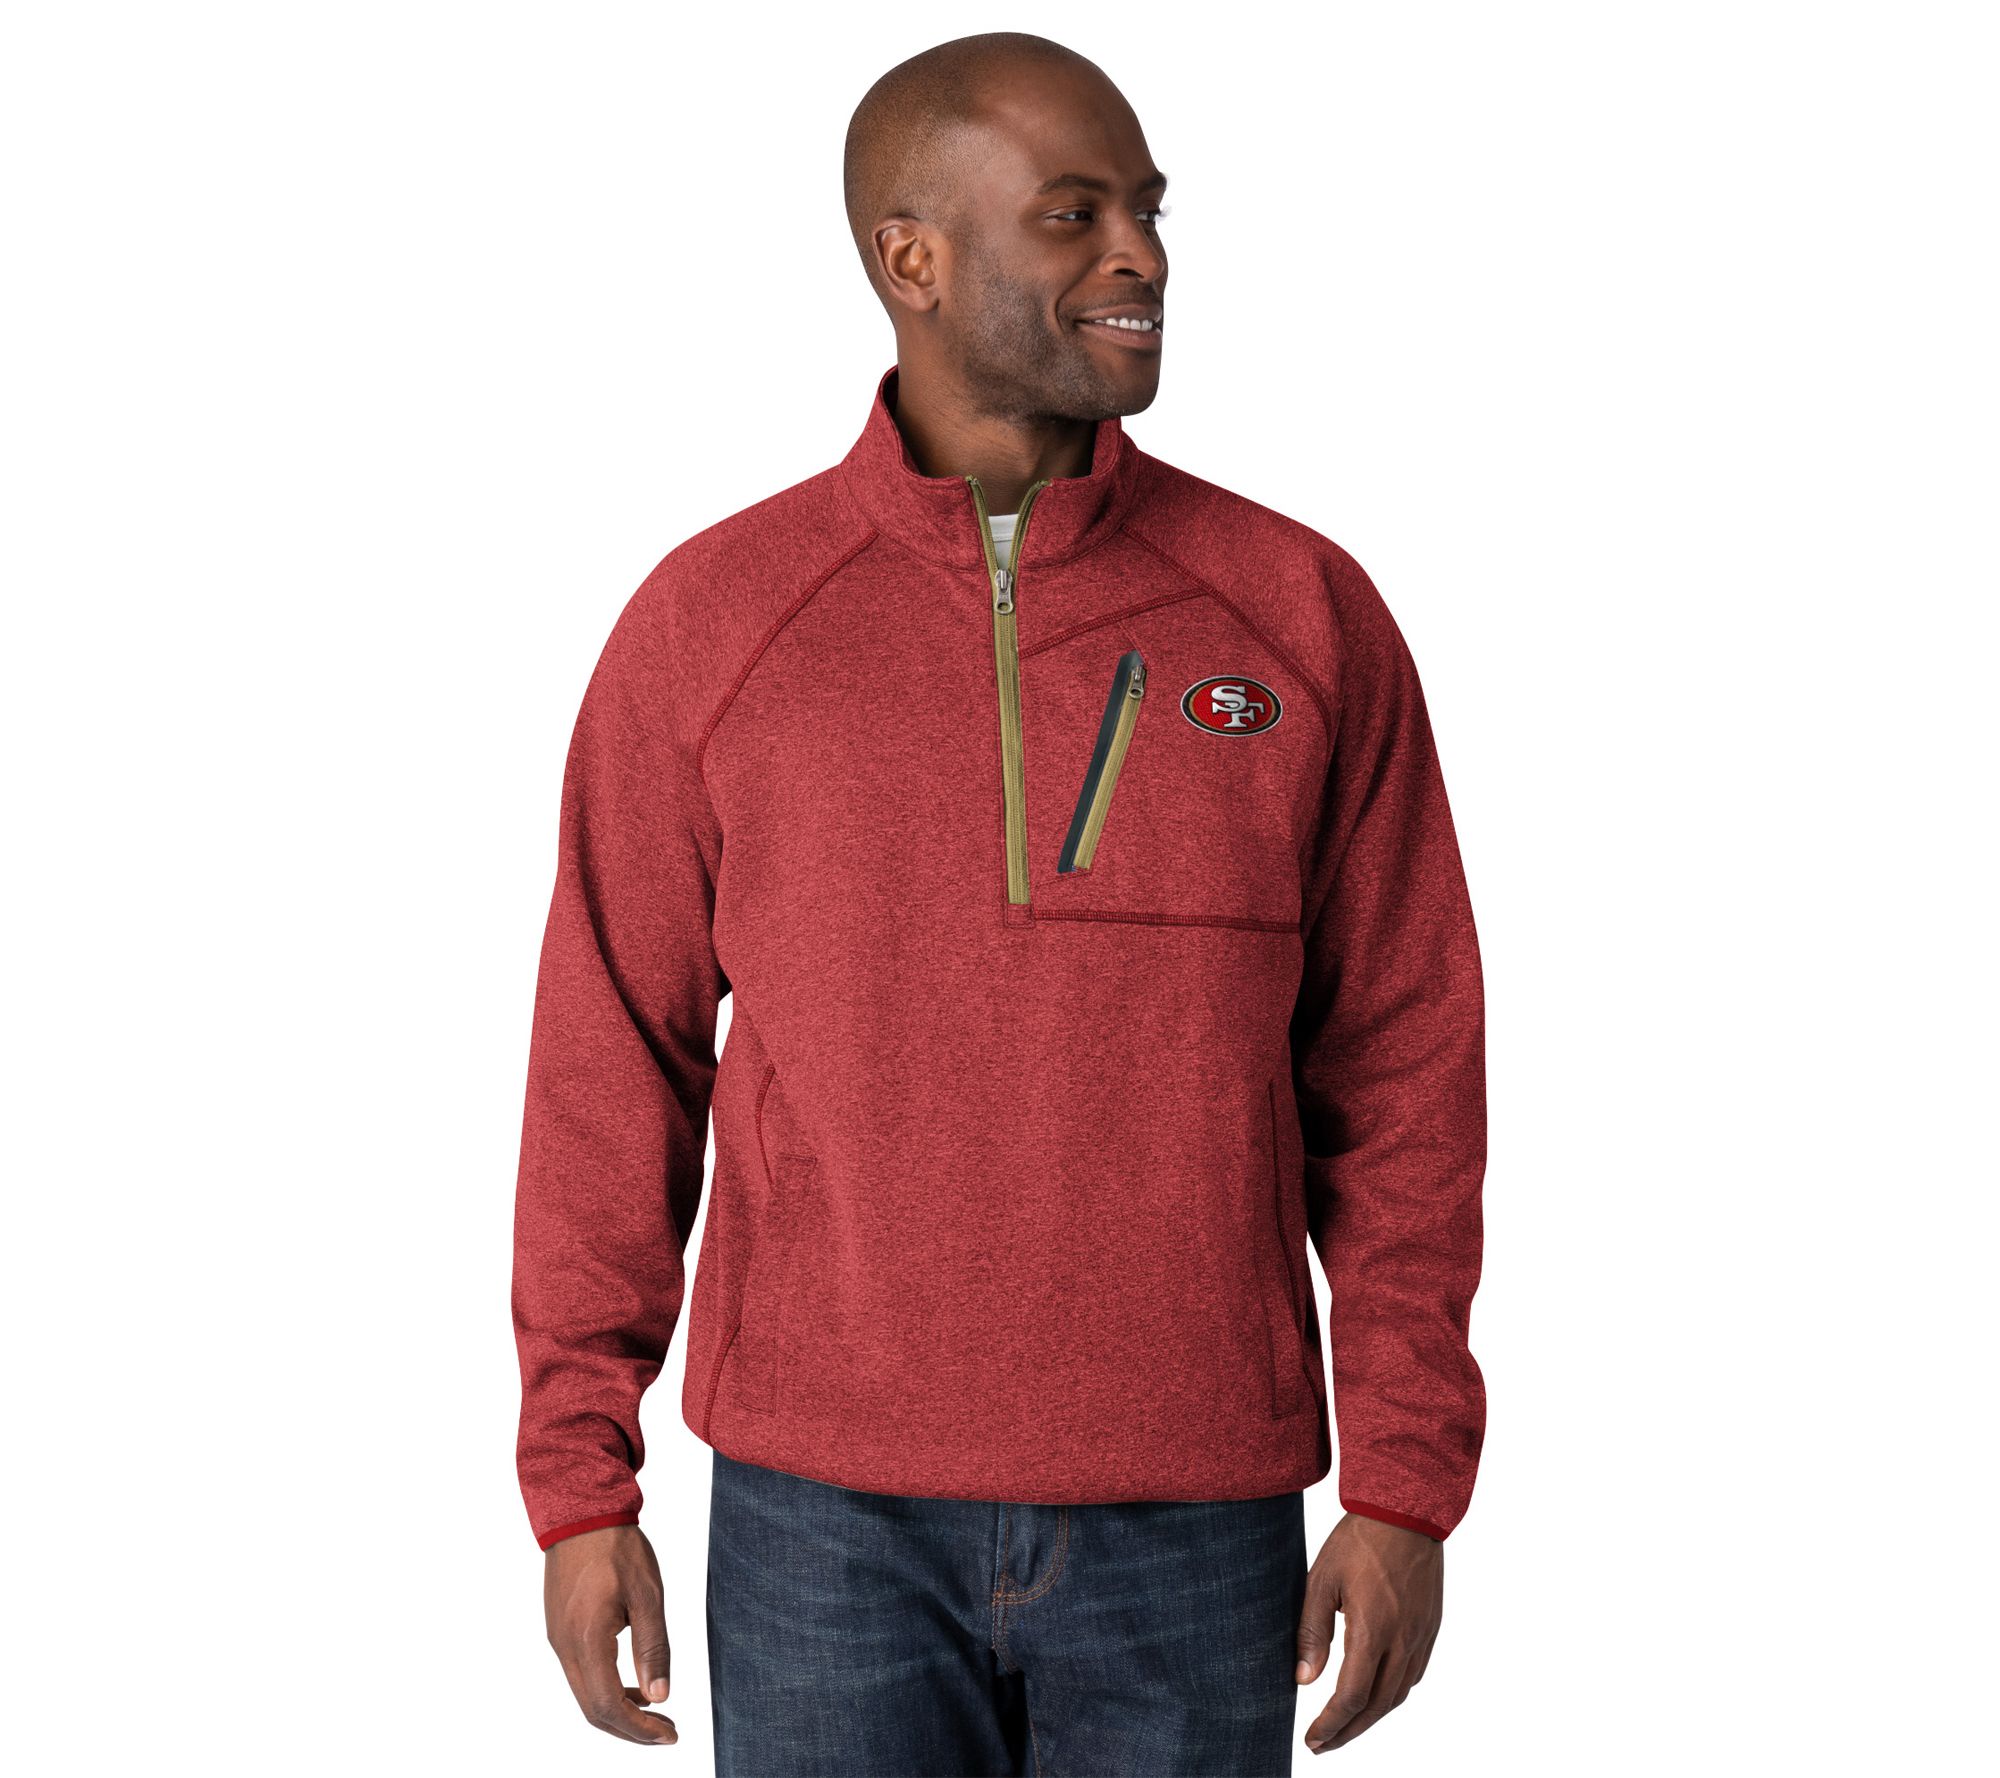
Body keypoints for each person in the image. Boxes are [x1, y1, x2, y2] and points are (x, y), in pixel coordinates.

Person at [514, 31, 1485, 1776]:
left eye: (1151, 210)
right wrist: (581, 1483)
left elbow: (1405, 1063)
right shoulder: (715, 624)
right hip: (823, 1523)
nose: (1142, 256)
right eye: (1074, 214)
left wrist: (1406, 1477)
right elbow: (610, 1063)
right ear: (913, 257)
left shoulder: (1298, 613)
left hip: (1198, 1514)